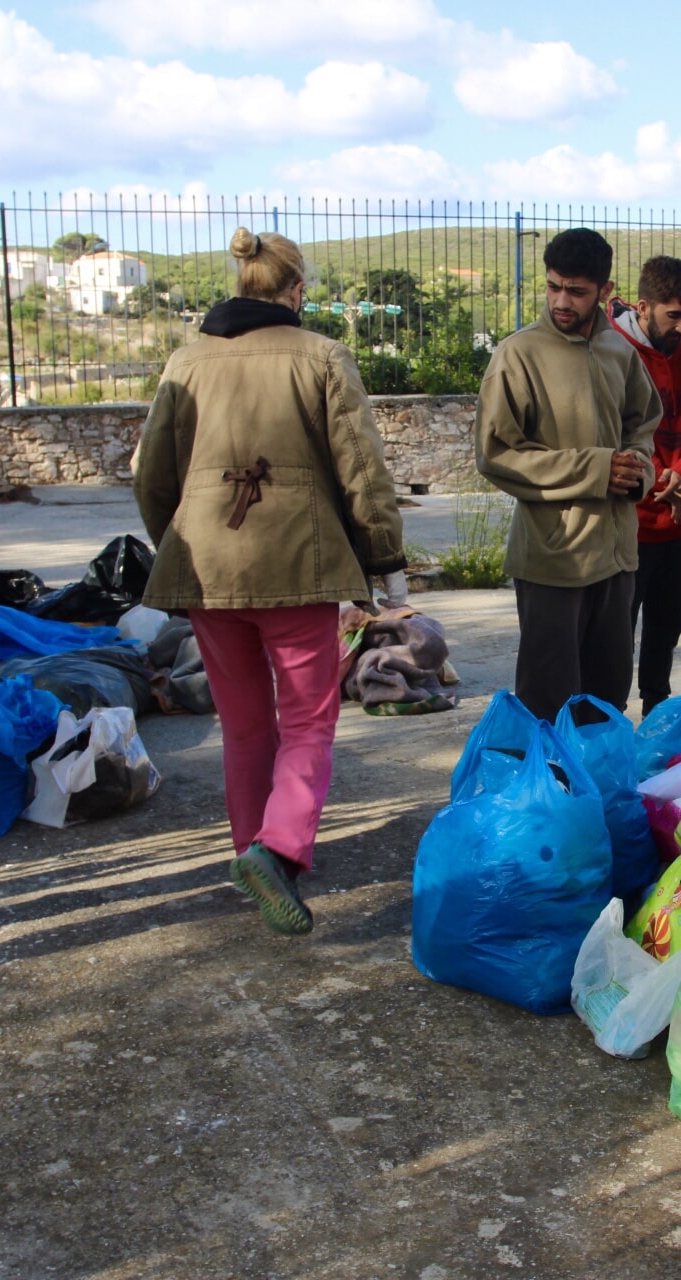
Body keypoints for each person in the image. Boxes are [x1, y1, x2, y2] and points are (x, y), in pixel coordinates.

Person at [134, 228, 406, 937]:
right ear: (297, 291)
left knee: (245, 725)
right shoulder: (322, 357)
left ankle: (248, 852)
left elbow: (151, 473)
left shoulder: (185, 361)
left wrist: (182, 538)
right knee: (309, 720)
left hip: (208, 568)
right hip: (299, 568)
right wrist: (383, 559)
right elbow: (362, 470)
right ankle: (278, 850)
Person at [474, 228, 661, 720]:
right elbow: (496, 454)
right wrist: (598, 469)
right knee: (548, 705)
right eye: (554, 286)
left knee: (608, 703)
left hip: (617, 556)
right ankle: (553, 798)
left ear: (604, 290)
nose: (561, 300)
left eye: (576, 291)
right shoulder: (518, 355)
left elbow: (644, 428)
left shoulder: (621, 352)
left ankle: (601, 798)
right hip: (552, 560)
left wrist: (638, 469)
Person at [607, 255, 681, 717]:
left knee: (665, 628)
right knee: (616, 632)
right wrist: (658, 476)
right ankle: (609, 719)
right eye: (673, 315)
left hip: (677, 519)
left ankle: (655, 715)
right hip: (629, 522)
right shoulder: (613, 349)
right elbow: (614, 431)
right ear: (643, 306)